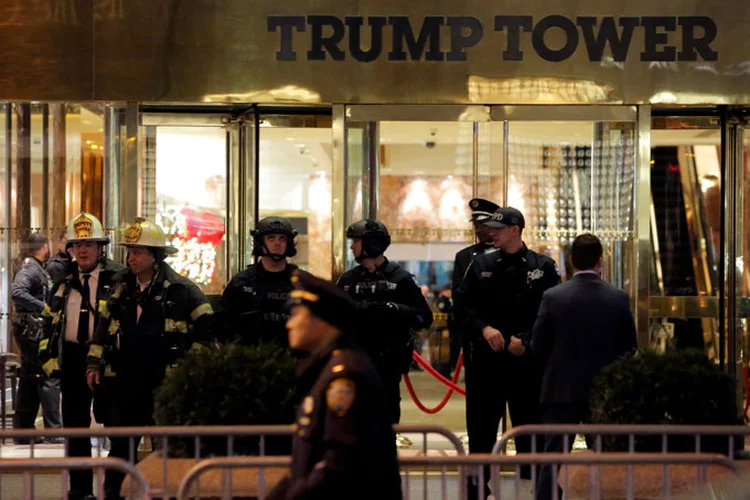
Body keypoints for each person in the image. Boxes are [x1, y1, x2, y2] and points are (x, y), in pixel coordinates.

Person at [85, 217, 215, 500]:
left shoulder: (182, 290)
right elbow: (102, 331)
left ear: (154, 257)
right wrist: (94, 364)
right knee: (121, 448)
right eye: (129, 252)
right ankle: (113, 494)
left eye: (138, 252)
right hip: (126, 381)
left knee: (167, 449)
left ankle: (168, 494)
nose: (130, 258)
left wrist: (189, 370)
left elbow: (208, 333)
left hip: (165, 384)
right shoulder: (120, 288)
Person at [269, 270, 402, 500]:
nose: (289, 324)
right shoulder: (330, 366)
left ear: (320, 320)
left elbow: (338, 463)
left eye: (296, 314)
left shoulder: (346, 374)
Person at [460, 207, 561, 498]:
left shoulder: (543, 267)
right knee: (480, 432)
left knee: (531, 432)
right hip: (487, 364)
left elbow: (550, 313)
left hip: (525, 364)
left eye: (497, 229)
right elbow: (463, 308)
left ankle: (539, 490)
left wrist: (526, 340)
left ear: (515, 229)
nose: (491, 233)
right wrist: (484, 328)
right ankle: (477, 489)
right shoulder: (480, 265)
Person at [532, 233, 637, 500]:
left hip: (560, 390)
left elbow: (538, 345)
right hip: (603, 391)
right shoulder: (618, 298)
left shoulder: (553, 297)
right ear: (600, 261)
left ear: (570, 261)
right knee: (605, 456)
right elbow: (630, 346)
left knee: (553, 458)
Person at [39, 213, 125, 500]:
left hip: (109, 361)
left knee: (116, 426)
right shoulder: (63, 280)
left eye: (89, 243)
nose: (83, 250)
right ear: (71, 249)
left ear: (102, 247)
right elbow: (49, 323)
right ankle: (79, 490)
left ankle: (115, 488)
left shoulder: (119, 278)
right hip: (74, 359)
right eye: (78, 245)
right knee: (75, 431)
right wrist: (50, 363)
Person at [336, 219, 433, 425]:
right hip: (354, 363)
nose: (352, 246)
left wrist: (395, 309)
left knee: (385, 420)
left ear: (371, 243)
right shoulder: (348, 280)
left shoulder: (399, 278)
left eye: (357, 241)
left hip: (386, 365)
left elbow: (424, 318)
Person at [10, 232, 61, 442]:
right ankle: (53, 431)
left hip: (32, 332)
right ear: (46, 246)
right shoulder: (31, 268)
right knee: (48, 376)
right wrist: (45, 308)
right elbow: (18, 292)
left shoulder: (35, 267)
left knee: (31, 379)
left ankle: (24, 432)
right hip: (31, 333)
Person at [219, 216, 298, 346]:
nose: (277, 243)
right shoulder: (241, 282)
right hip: (251, 360)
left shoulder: (303, 283)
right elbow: (223, 324)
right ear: (260, 243)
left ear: (288, 243)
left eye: (282, 238)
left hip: (295, 360)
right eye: (271, 238)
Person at [451, 198, 500, 374]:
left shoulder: (510, 253)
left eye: (484, 224)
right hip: (477, 335)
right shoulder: (465, 257)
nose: (479, 230)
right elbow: (459, 298)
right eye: (476, 225)